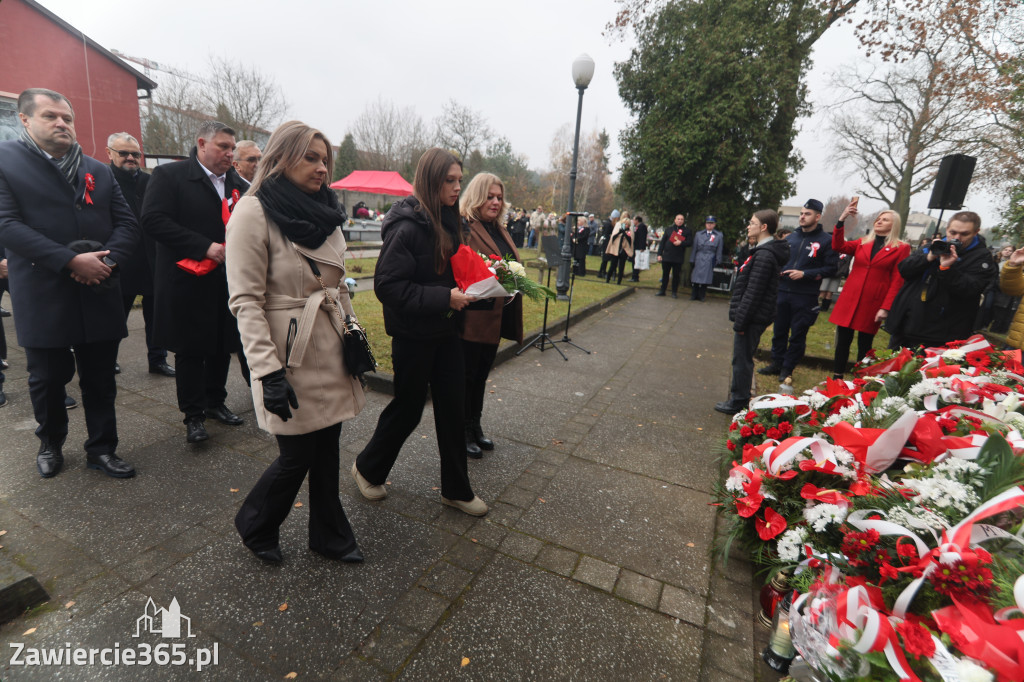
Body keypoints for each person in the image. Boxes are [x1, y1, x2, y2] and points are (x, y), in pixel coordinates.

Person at [226, 120, 364, 565]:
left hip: (331, 340)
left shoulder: (326, 211)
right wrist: (266, 372)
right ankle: (255, 522)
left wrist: (354, 336)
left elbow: (337, 286)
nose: (322, 168)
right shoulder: (253, 212)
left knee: (328, 448)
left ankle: (329, 533)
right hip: (288, 350)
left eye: (325, 159)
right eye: (310, 157)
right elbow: (245, 301)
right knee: (297, 452)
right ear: (281, 157)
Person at [0, 88, 138, 478]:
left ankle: (102, 448)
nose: (62, 123)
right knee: (47, 379)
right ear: (24, 120)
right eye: (50, 116)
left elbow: (128, 225)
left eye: (67, 117)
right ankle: (51, 443)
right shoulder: (6, 161)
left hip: (98, 289)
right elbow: (7, 224)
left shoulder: (99, 169)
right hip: (44, 293)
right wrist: (69, 261)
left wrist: (105, 263)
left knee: (100, 378)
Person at [352, 148, 487, 517]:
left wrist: (482, 284)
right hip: (413, 336)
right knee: (408, 409)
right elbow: (388, 286)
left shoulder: (451, 220)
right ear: (431, 180)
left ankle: (456, 490)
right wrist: (445, 295)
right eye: (450, 180)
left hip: (447, 333)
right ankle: (367, 468)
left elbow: (449, 271)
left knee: (453, 409)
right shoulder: (408, 226)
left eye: (460, 180)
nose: (458, 187)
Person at [142, 121, 248, 444]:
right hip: (187, 278)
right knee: (190, 349)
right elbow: (153, 220)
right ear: (202, 144)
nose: (230, 154)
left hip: (226, 279)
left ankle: (216, 401)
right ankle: (194, 415)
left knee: (221, 344)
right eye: (223, 147)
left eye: (233, 149)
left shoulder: (238, 185)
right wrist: (204, 246)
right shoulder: (169, 177)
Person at [459, 172, 523, 459]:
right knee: (468, 376)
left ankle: (475, 426)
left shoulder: (499, 228)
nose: (496, 202)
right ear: (477, 196)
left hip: (496, 316)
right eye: (490, 196)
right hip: (474, 316)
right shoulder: (466, 228)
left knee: (482, 374)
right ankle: (462, 432)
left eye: (499, 197)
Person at [106, 132, 175, 378]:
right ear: (110, 153)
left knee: (156, 317)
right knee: (115, 316)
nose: (130, 158)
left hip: (153, 260)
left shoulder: (151, 181)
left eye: (135, 154)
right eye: (123, 153)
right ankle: (108, 359)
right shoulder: (104, 180)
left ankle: (158, 360)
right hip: (120, 261)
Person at [715, 210, 788, 414]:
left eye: (752, 222)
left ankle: (738, 400)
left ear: (764, 227)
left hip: (752, 318)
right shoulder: (761, 251)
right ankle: (739, 396)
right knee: (741, 357)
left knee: (742, 359)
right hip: (753, 316)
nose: (748, 226)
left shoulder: (764, 255)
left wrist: (741, 322)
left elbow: (753, 292)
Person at [886, 211, 994, 349]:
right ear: (946, 229)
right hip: (906, 324)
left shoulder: (982, 257)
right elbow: (904, 269)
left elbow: (971, 289)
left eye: (964, 234)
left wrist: (946, 268)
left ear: (976, 232)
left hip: (941, 334)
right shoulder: (934, 246)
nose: (957, 238)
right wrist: (928, 258)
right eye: (952, 232)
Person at [827, 202, 911, 378]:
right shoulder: (862, 242)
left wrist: (886, 307)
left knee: (865, 344)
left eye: (885, 219)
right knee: (843, 340)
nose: (879, 221)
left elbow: (898, 280)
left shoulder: (901, 248)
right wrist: (841, 220)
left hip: (873, 301)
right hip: (850, 298)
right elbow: (838, 246)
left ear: (893, 225)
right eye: (878, 218)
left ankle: (861, 379)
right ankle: (837, 376)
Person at [759, 199, 835, 381]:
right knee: (779, 331)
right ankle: (776, 363)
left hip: (805, 295)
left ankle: (787, 368)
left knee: (798, 334)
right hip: (783, 291)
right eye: (801, 213)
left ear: (817, 217)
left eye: (807, 214)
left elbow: (831, 268)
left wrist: (805, 274)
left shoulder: (826, 241)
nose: (802, 217)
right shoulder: (791, 238)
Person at [656, 214, 691, 298]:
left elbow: (689, 242)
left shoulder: (687, 231)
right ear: (675, 220)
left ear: (683, 221)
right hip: (667, 256)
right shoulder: (669, 229)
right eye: (678, 219)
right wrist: (659, 254)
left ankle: (674, 292)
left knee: (676, 275)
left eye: (682, 219)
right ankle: (662, 290)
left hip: (678, 257)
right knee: (665, 274)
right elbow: (662, 243)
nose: (680, 221)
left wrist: (681, 242)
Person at [690, 216, 723, 301]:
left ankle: (702, 295)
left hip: (710, 257)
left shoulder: (718, 235)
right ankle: (694, 295)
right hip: (699, 256)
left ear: (714, 225)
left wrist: (718, 259)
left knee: (706, 277)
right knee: (696, 277)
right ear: (705, 224)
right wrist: (692, 259)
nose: (709, 225)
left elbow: (719, 249)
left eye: (711, 223)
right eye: (708, 223)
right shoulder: (699, 234)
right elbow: (694, 248)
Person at [989, 246, 1020, 334]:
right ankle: (993, 328)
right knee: (996, 311)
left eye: (1010, 251)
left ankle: (1001, 330)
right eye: (1006, 250)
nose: (1007, 252)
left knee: (1007, 313)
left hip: (1009, 292)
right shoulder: (996, 260)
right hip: (998, 288)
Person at [605, 210, 633, 284]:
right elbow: (613, 237)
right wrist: (620, 232)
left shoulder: (629, 230)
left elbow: (630, 240)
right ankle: (608, 278)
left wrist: (625, 234)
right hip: (616, 249)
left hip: (623, 250)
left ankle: (619, 281)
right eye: (625, 224)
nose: (626, 226)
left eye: (627, 225)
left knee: (621, 266)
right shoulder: (618, 225)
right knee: (613, 265)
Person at [597, 210, 619, 278]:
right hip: (607, 243)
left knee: (606, 259)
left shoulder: (609, 223)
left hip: (608, 243)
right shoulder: (608, 224)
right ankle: (602, 272)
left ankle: (602, 272)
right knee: (605, 259)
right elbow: (606, 234)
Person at [630, 215, 649, 282]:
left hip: (638, 247)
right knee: (635, 261)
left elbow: (642, 237)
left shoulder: (641, 227)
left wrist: (642, 247)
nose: (633, 221)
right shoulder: (638, 227)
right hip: (636, 246)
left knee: (636, 261)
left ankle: (635, 276)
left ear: (637, 220)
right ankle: (634, 275)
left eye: (634, 220)